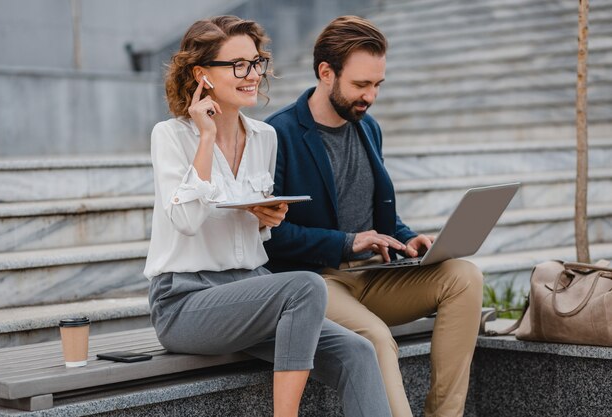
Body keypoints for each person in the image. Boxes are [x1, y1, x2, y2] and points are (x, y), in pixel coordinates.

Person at [144, 15, 392, 417]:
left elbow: (251, 238)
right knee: (306, 287)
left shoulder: (265, 137)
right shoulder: (171, 136)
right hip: (185, 302)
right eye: (238, 64)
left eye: (256, 62)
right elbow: (186, 221)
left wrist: (264, 219)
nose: (252, 74)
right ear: (201, 74)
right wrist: (206, 137)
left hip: (250, 292)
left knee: (357, 351)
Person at [264, 15, 484, 417]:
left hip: (374, 276)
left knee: (463, 277)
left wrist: (408, 238)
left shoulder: (369, 128)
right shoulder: (278, 134)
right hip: (314, 282)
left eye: (377, 84)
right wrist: (347, 242)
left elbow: (382, 220)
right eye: (361, 85)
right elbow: (269, 236)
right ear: (325, 73)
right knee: (377, 339)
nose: (371, 96)